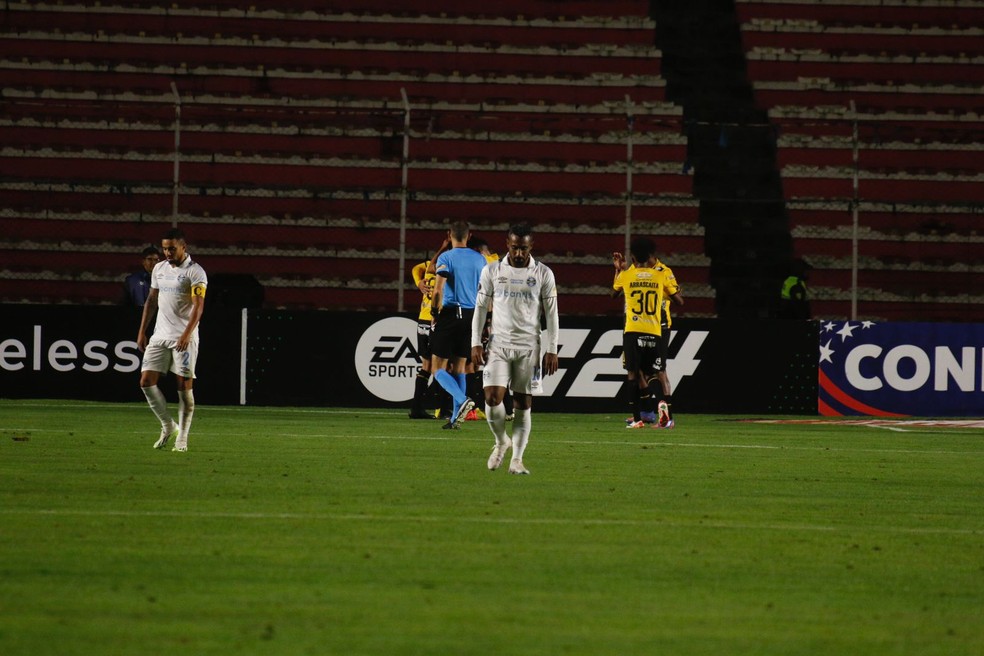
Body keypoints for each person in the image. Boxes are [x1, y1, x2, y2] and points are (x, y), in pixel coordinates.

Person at [471, 224, 559, 475]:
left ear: (531, 247)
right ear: (507, 244)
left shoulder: (543, 273)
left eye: (523, 248)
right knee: (491, 397)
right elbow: (480, 309)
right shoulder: (492, 271)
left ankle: (517, 459)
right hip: (498, 344)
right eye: (514, 247)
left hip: (529, 346)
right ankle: (501, 442)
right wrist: (475, 342)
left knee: (522, 402)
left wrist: (552, 349)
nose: (519, 253)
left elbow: (551, 315)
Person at [136, 228, 208, 452]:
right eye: (165, 248)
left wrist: (186, 335)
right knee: (146, 382)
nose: (167, 252)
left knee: (183, 387)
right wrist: (142, 331)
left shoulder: (196, 273)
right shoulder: (159, 268)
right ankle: (168, 425)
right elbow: (151, 300)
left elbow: (198, 308)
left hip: (183, 337)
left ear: (183, 247)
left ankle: (183, 438)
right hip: (160, 335)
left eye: (171, 248)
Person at [612, 244, 683, 428]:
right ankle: (647, 412)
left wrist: (660, 294)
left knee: (658, 371)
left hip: (660, 325)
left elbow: (678, 296)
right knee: (640, 370)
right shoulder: (635, 271)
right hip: (643, 324)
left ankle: (667, 415)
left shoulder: (663, 271)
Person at [429, 220, 488, 429]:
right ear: (469, 236)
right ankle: (455, 419)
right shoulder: (481, 260)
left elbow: (438, 290)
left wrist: (434, 313)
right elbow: (486, 292)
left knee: (437, 368)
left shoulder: (446, 257)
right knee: (460, 368)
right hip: (473, 317)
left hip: (451, 314)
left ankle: (462, 400)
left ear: (449, 234)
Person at [408, 241, 446, 419]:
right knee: (442, 365)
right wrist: (418, 283)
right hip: (434, 320)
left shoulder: (432, 269)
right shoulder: (446, 269)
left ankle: (416, 408)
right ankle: (442, 408)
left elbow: (419, 268)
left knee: (428, 366)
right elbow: (418, 269)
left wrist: (419, 283)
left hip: (422, 322)